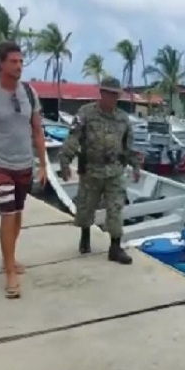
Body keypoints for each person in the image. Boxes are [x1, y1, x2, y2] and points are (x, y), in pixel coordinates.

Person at [0, 41, 47, 299]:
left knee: (17, 214)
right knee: (7, 214)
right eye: (13, 62)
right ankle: (10, 274)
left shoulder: (29, 92)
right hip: (0, 163)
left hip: (25, 163)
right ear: (0, 64)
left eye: (21, 61)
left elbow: (37, 130)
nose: (19, 66)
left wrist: (44, 164)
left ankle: (10, 258)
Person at [59, 77, 140, 264]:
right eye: (109, 93)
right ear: (101, 93)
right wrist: (65, 161)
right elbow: (73, 138)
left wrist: (135, 165)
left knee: (116, 209)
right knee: (86, 207)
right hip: (91, 170)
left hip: (115, 171)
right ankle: (85, 235)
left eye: (115, 95)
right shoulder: (85, 113)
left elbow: (128, 146)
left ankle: (115, 247)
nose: (112, 98)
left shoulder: (123, 118)